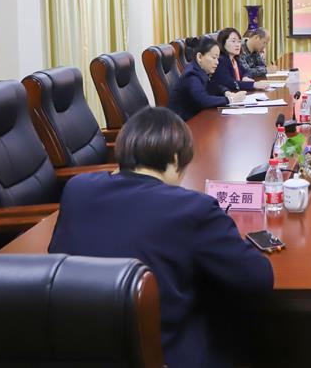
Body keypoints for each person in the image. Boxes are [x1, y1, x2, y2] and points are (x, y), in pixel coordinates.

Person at [48, 107, 274, 367]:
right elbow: (257, 279)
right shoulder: (192, 208)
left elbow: (56, 253)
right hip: (161, 355)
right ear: (176, 159)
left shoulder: (77, 189)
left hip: (77, 350)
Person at [168, 37, 243, 121]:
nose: (217, 62)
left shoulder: (200, 71)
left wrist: (226, 92)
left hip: (195, 118)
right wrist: (230, 99)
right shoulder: (191, 75)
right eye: (214, 58)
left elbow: (212, 85)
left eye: (217, 58)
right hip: (183, 124)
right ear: (199, 57)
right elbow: (204, 100)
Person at [211, 28, 269, 94]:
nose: (237, 45)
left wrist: (245, 77)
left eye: (239, 41)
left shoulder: (235, 59)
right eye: (233, 41)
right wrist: (253, 85)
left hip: (237, 94)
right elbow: (230, 83)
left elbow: (247, 71)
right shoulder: (221, 60)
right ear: (223, 43)